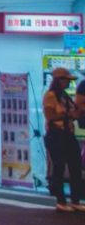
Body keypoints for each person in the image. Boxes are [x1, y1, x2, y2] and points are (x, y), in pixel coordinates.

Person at [42, 68, 85, 212]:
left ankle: (75, 200)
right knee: (59, 167)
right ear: (59, 80)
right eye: (66, 80)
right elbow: (50, 116)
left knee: (75, 166)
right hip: (56, 134)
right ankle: (61, 200)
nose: (68, 83)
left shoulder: (65, 96)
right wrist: (68, 115)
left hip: (68, 133)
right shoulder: (51, 96)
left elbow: (76, 112)